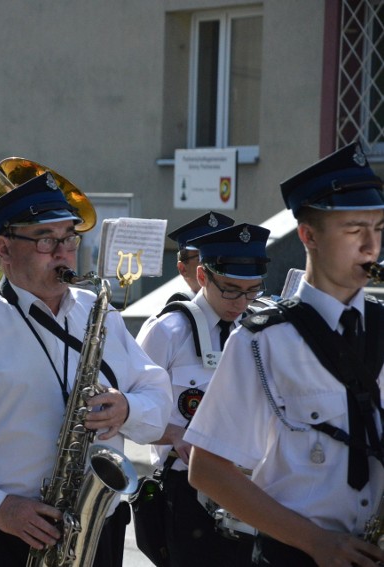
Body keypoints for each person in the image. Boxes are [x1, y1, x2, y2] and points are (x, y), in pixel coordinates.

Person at [0, 172, 172, 567]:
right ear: (4, 249)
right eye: (46, 239)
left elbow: (157, 396)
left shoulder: (99, 313)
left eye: (69, 238)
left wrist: (128, 408)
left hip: (94, 530)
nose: (62, 252)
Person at [185, 143, 384, 567]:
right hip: (296, 555)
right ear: (308, 236)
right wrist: (316, 543)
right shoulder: (262, 339)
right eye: (353, 229)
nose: (371, 246)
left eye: (379, 228)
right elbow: (207, 470)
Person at [136, 222, 271, 567]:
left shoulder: (259, 331)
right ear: (202, 276)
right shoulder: (167, 331)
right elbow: (129, 404)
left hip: (249, 487)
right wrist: (172, 433)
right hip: (184, 488)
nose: (241, 302)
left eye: (251, 291)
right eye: (229, 290)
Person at [165, 212, 234, 302]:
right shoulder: (176, 314)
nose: (219, 264)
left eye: (225, 257)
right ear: (183, 269)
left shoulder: (249, 310)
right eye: (207, 259)